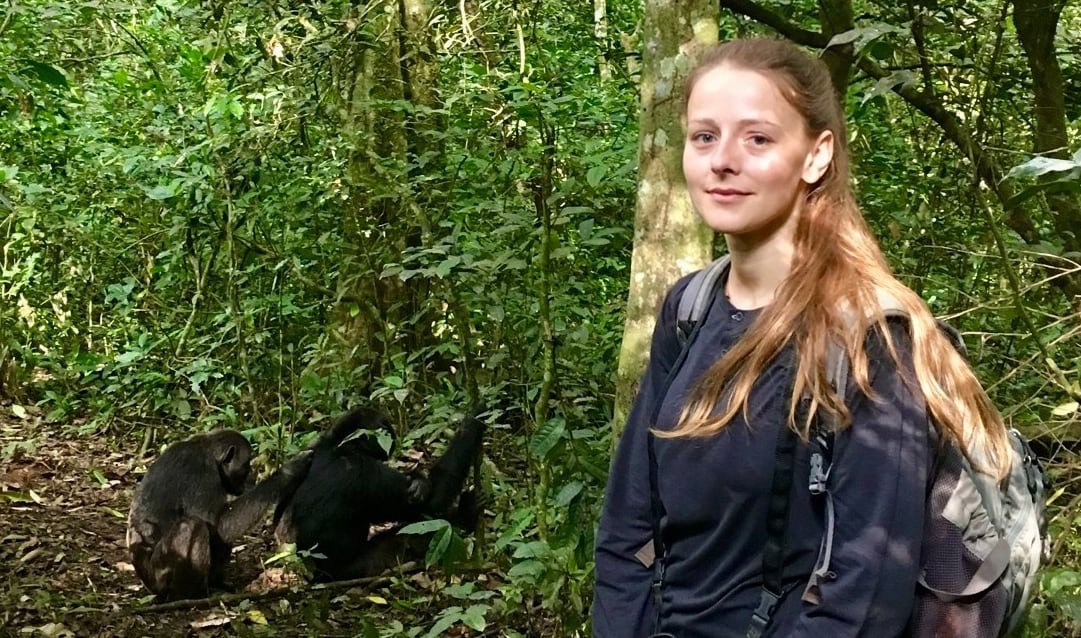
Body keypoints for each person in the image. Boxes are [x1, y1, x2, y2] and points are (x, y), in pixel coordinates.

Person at [592, 37, 1012, 638]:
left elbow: (864, 597)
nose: (722, 161)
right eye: (704, 136)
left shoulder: (870, 337)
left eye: (757, 138)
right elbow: (627, 527)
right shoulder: (688, 308)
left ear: (815, 156)